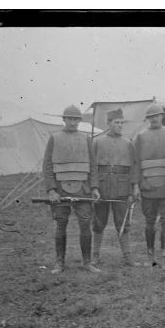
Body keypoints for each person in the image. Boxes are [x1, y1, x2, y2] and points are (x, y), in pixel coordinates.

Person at [43, 104, 102, 274]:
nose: (73, 122)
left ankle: (87, 262)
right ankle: (59, 263)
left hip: (83, 189)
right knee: (61, 224)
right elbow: (47, 166)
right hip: (60, 189)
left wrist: (95, 187)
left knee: (85, 224)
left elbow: (93, 165)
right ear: (64, 119)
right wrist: (51, 190)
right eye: (70, 119)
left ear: (79, 121)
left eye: (76, 119)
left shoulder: (86, 139)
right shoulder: (54, 138)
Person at [133, 103, 165, 268]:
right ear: (147, 119)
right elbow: (136, 163)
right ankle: (150, 256)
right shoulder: (140, 137)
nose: (154, 119)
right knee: (149, 222)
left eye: (157, 115)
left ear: (162, 116)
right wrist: (137, 185)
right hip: (147, 187)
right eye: (151, 116)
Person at [92, 108, 140, 267]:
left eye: (121, 122)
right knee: (99, 223)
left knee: (123, 223)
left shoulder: (128, 143)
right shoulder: (98, 142)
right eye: (116, 122)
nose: (120, 125)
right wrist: (94, 187)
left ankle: (127, 257)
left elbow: (134, 167)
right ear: (108, 123)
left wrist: (135, 187)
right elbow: (92, 168)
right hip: (102, 187)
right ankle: (95, 256)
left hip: (122, 189)